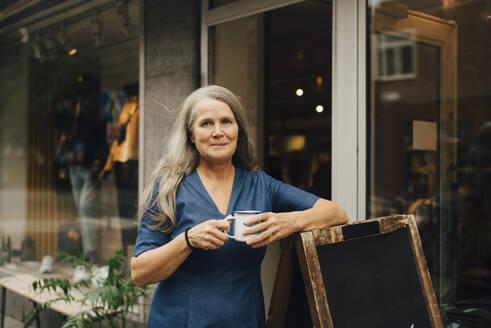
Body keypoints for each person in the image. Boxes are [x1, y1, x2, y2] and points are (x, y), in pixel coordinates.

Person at [130, 85, 348, 328]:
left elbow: (336, 213)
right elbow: (140, 273)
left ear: (238, 131)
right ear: (191, 135)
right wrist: (187, 240)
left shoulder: (261, 185)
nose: (218, 132)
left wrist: (287, 222)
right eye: (206, 124)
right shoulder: (168, 187)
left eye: (226, 121)